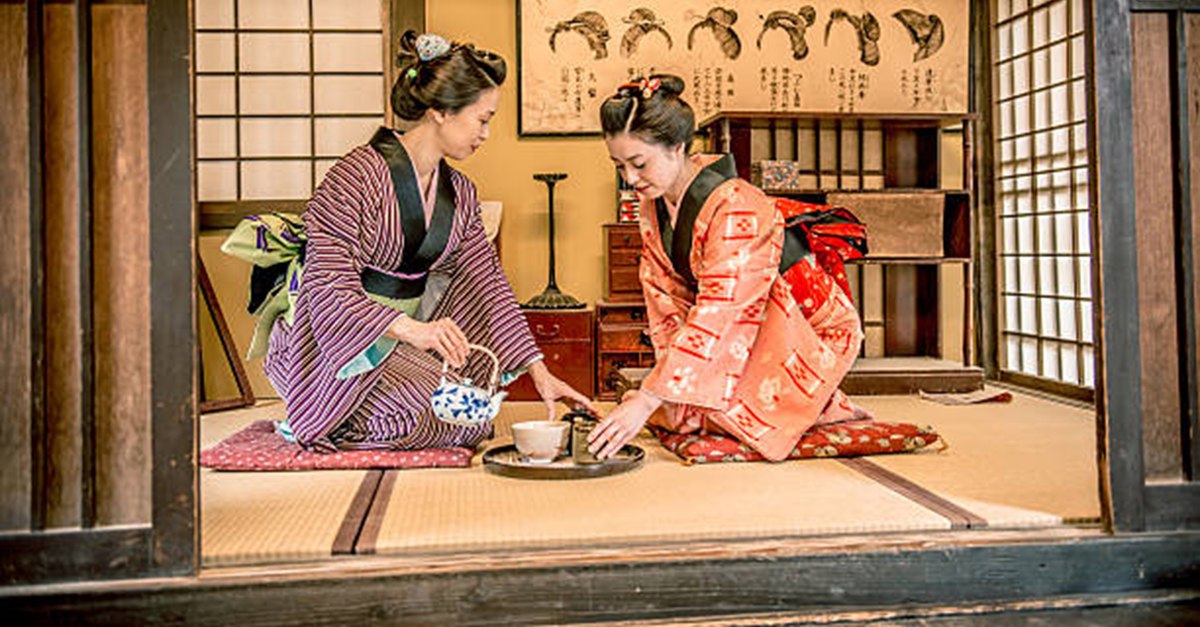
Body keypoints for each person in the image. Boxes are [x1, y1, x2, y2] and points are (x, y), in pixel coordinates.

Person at [234, 31, 594, 452]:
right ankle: (322, 416)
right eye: (482, 119)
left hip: (401, 341)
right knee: (428, 416)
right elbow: (327, 285)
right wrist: (413, 331)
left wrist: (539, 372)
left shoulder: (460, 193)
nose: (486, 134)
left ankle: (378, 407)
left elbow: (489, 285)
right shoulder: (352, 178)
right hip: (334, 348)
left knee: (470, 417)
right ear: (440, 111)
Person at [587, 75, 869, 461]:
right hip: (742, 325)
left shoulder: (738, 204)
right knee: (680, 408)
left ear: (677, 147)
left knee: (721, 413)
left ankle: (820, 403)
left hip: (801, 327)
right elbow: (666, 298)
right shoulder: (653, 207)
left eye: (639, 164)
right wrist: (668, 384)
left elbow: (725, 310)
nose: (630, 179)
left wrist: (652, 395)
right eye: (619, 166)